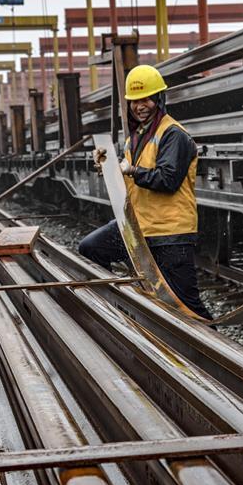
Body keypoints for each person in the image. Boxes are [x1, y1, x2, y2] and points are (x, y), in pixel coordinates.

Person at [79, 65, 211, 319]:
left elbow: (167, 180)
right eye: (135, 101)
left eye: (146, 99)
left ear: (159, 99)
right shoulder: (135, 138)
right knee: (91, 248)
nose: (140, 106)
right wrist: (108, 166)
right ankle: (125, 307)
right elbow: (130, 179)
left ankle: (212, 343)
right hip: (138, 227)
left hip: (169, 233)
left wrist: (132, 170)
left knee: (187, 308)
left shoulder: (173, 135)